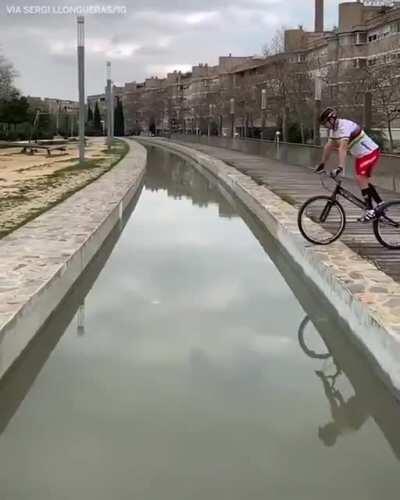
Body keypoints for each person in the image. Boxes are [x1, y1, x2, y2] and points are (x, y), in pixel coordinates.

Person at [316, 107, 382, 222]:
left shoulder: (344, 126)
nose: (325, 126)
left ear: (331, 119)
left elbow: (343, 147)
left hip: (370, 153)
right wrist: (322, 163)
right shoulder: (334, 130)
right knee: (363, 180)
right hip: (361, 156)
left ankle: (370, 210)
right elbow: (328, 147)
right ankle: (381, 204)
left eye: (325, 123)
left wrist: (341, 167)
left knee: (360, 178)